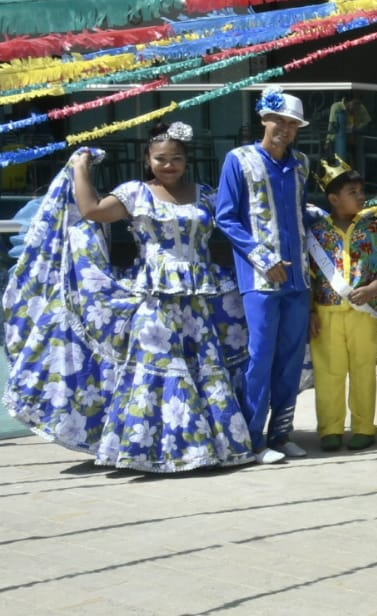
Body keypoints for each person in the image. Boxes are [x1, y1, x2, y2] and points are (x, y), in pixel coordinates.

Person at [4, 125, 255, 472]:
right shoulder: (135, 193)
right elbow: (92, 210)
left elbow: (241, 222)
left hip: (199, 300)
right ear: (147, 160)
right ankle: (150, 449)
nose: (169, 165)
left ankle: (199, 450)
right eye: (161, 159)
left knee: (202, 370)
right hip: (153, 297)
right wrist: (80, 167)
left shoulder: (206, 194)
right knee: (160, 368)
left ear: (187, 160)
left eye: (176, 159)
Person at [215, 87, 315, 464]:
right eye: (280, 121)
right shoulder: (238, 160)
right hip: (259, 279)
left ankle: (281, 433)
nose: (285, 129)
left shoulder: (301, 163)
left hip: (298, 278)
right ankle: (253, 440)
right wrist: (262, 257)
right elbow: (225, 217)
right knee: (260, 357)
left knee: (291, 356)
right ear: (264, 119)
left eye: (293, 124)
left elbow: (300, 215)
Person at [306, 158, 377, 452]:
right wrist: (310, 312)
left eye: (360, 191)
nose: (360, 196)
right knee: (328, 372)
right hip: (327, 311)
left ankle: (363, 427)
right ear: (333, 198)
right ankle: (330, 429)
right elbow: (310, 275)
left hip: (364, 313)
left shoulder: (374, 228)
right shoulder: (317, 232)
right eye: (352, 191)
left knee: (363, 369)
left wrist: (374, 287)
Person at [325, 91, 370, 163]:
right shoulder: (337, 106)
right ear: (346, 101)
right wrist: (328, 142)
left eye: (358, 104)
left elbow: (367, 121)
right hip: (337, 138)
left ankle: (357, 170)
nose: (356, 107)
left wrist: (358, 127)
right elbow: (332, 126)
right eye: (354, 104)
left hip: (354, 138)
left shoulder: (360, 107)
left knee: (360, 148)